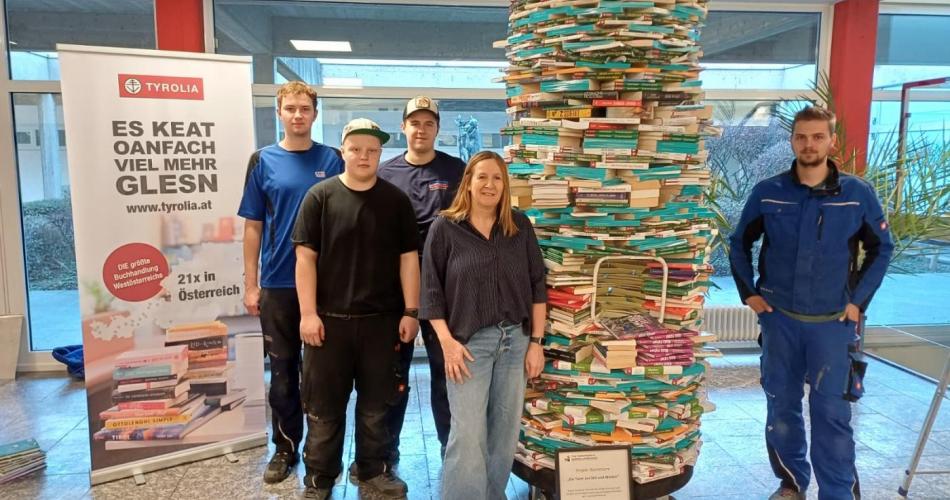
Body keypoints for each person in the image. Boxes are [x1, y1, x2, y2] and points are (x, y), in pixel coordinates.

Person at [729, 106, 893, 500]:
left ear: (831, 141)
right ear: (792, 141)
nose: (809, 144)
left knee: (832, 415)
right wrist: (749, 293)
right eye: (802, 136)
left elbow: (881, 248)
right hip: (779, 321)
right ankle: (791, 482)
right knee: (781, 408)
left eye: (818, 137)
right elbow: (738, 242)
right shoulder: (769, 192)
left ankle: (836, 493)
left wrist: (857, 304)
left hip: (833, 326)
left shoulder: (857, 195)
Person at [292, 118, 420, 500]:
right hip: (328, 323)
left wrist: (411, 312)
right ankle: (319, 478)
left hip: (382, 323)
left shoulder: (396, 201)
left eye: (373, 150)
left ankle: (372, 471)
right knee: (323, 408)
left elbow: (409, 259)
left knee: (376, 406)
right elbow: (304, 259)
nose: (364, 156)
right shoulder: (320, 196)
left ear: (380, 154)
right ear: (343, 151)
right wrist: (308, 314)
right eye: (356, 149)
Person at [420, 151, 547, 499]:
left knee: (504, 432)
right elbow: (430, 292)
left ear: (504, 185)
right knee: (468, 432)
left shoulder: (519, 226)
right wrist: (446, 342)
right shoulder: (444, 228)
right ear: (469, 183)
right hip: (467, 346)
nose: (490, 184)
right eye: (482, 177)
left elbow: (538, 285)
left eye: (497, 178)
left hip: (515, 342)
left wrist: (536, 342)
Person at [237, 81, 342, 484]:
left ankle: (322, 452)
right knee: (282, 374)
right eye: (290, 108)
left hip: (325, 287)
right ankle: (284, 449)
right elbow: (252, 227)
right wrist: (252, 284)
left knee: (321, 376)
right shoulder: (262, 161)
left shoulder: (332, 159)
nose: (298, 115)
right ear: (279, 113)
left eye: (305, 108)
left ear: (315, 114)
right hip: (278, 286)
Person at [374, 96, 465, 469]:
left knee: (446, 371)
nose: (421, 129)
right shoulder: (384, 172)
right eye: (415, 122)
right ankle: (386, 448)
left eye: (429, 123)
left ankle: (449, 447)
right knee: (392, 371)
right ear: (404, 127)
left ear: (437, 129)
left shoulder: (457, 170)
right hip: (396, 288)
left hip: (445, 286)